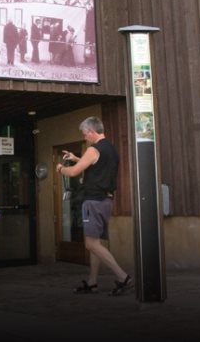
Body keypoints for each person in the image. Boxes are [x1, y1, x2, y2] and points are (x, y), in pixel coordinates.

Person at [56, 116, 132, 295]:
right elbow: (95, 166)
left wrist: (60, 169)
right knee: (96, 243)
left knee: (90, 244)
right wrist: (76, 158)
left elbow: (74, 172)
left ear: (91, 131)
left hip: (93, 201)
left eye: (85, 134)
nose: (85, 137)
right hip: (106, 200)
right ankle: (92, 282)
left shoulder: (93, 149)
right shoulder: (110, 149)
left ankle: (123, 277)